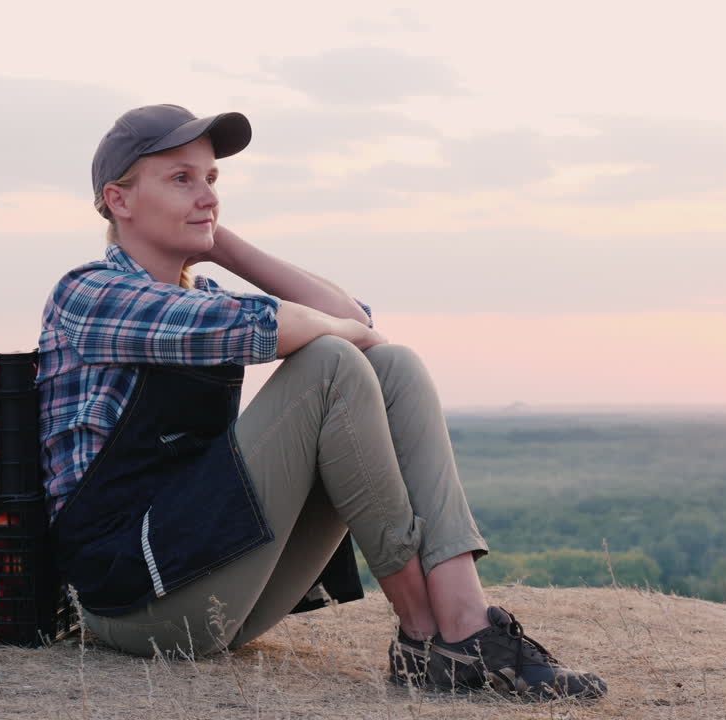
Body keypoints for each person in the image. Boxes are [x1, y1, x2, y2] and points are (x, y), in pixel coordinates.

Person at [35, 104, 607, 701]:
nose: (207, 195)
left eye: (212, 181)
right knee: (332, 362)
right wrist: (349, 331)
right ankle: (421, 629)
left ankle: (464, 624)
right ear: (119, 200)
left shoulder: (202, 290)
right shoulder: (88, 295)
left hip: (211, 576)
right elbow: (294, 327)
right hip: (130, 600)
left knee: (395, 365)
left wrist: (217, 243)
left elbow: (354, 322)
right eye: (181, 179)